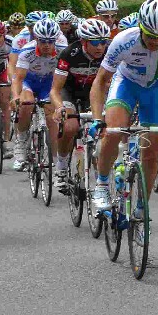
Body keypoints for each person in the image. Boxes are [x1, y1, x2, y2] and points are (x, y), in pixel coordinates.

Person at [89, 0, 158, 212]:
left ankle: (142, 207)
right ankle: (102, 184)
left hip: (155, 91)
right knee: (113, 132)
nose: (156, 41)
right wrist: (96, 118)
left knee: (151, 153)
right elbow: (100, 81)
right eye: (150, 36)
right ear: (140, 27)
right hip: (126, 85)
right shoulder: (123, 40)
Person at [51, 18, 111, 189]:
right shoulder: (69, 54)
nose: (100, 47)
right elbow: (55, 90)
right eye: (95, 42)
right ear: (84, 41)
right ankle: (61, 167)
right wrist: (59, 107)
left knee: (100, 132)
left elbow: (112, 83)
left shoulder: (109, 53)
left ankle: (101, 181)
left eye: (103, 42)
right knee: (70, 127)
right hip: (69, 92)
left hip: (93, 93)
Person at [10, 19, 65, 172]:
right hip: (29, 82)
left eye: (50, 41)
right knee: (26, 104)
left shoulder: (62, 51)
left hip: (48, 83)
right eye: (42, 41)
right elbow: (18, 78)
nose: (47, 45)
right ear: (36, 38)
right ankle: (21, 141)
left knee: (52, 118)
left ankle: (55, 158)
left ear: (55, 40)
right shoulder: (27, 51)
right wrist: (15, 96)